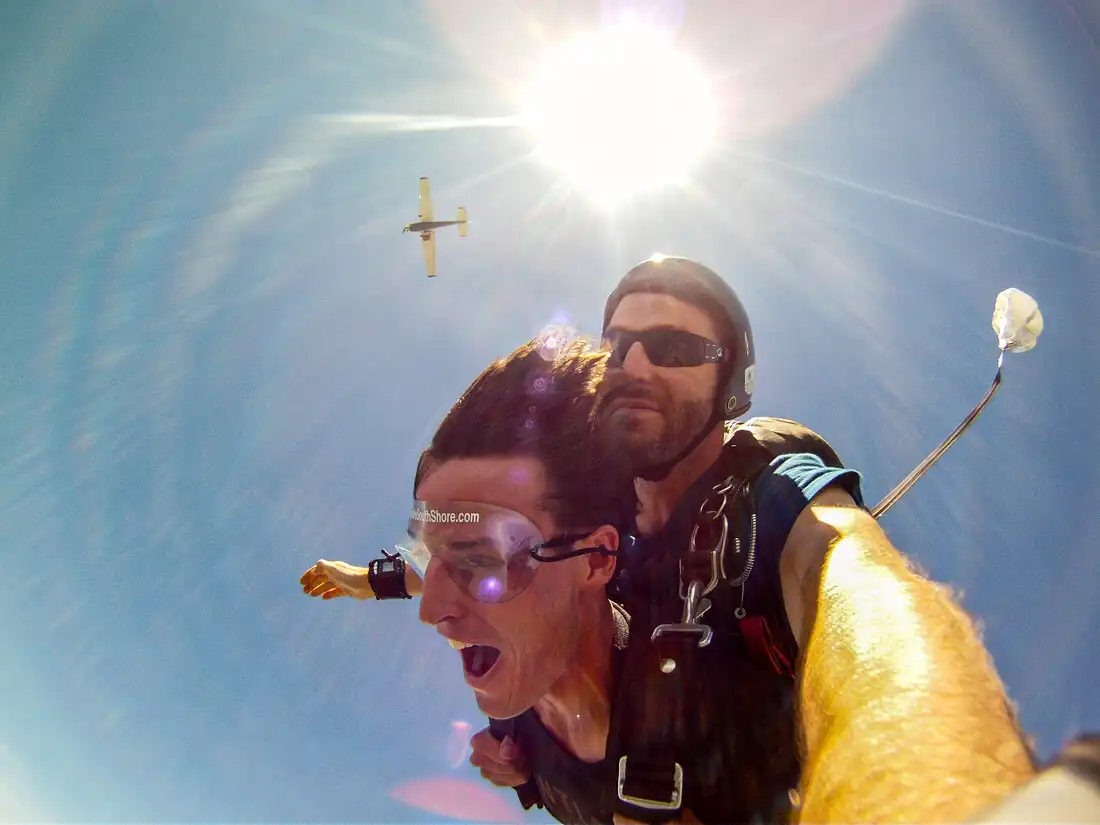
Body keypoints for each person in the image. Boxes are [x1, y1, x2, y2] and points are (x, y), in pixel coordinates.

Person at [301, 256, 1037, 823]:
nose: (634, 365)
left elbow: (857, 585)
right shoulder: (588, 497)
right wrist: (370, 578)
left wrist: (933, 786)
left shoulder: (764, 491)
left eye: (674, 346)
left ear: (732, 386)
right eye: (618, 344)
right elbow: (473, 547)